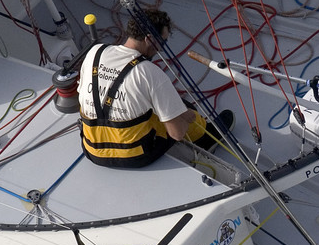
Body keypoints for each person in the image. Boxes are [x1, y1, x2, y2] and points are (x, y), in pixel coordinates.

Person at [77, 9, 233, 168]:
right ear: (149, 39)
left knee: (158, 106)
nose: (160, 49)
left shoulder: (95, 52)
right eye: (162, 42)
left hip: (92, 150)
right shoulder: (149, 72)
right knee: (185, 109)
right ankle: (204, 140)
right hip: (134, 156)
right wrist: (187, 117)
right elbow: (177, 134)